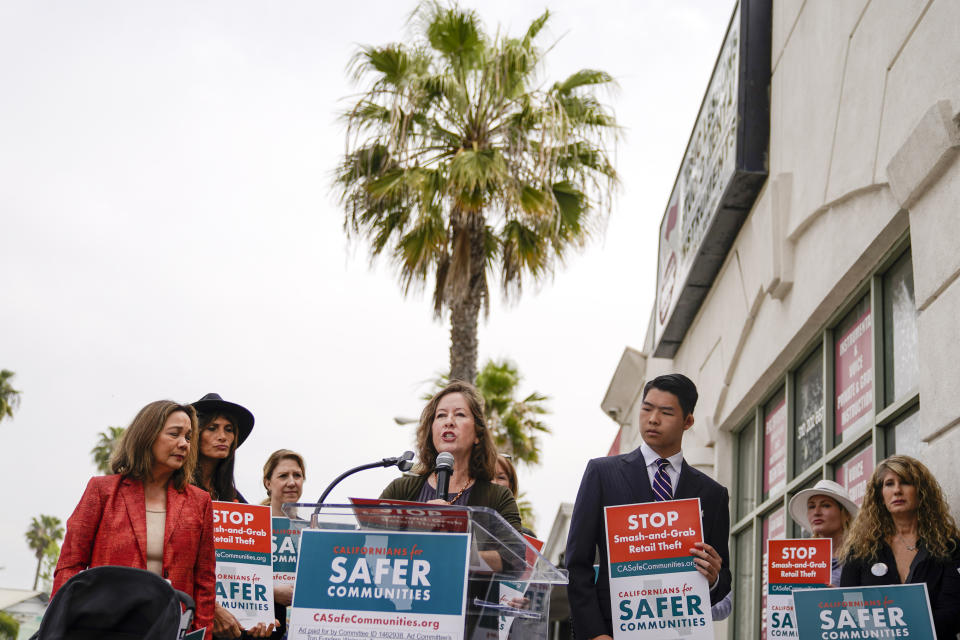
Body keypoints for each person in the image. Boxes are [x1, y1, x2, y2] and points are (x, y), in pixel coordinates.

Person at [565, 373, 731, 640]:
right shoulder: (602, 474)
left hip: (683, 630)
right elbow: (577, 563)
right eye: (646, 409)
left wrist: (714, 580)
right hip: (612, 630)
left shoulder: (712, 494)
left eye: (666, 412)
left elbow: (724, 577)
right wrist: (595, 633)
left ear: (688, 421)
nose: (653, 419)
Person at [52, 400, 215, 635]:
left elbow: (205, 582)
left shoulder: (200, 502)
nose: (184, 444)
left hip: (168, 628)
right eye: (174, 434)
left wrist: (201, 634)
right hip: (104, 627)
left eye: (188, 437)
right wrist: (59, 627)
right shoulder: (102, 491)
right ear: (147, 435)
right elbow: (70, 565)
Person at [839, 455, 960, 639]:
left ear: (921, 492)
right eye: (889, 484)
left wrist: (900, 632)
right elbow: (851, 607)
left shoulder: (949, 544)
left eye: (905, 482)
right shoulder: (861, 549)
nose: (897, 490)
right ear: (880, 495)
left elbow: (954, 610)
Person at [380, 380, 521, 531]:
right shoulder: (399, 491)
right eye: (441, 415)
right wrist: (417, 524)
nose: (449, 422)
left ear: (477, 434)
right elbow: (369, 541)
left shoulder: (498, 498)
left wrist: (457, 534)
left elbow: (515, 553)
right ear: (431, 430)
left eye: (460, 414)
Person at [190, 392, 275, 639]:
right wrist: (212, 608)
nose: (223, 436)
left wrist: (258, 617)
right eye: (212, 428)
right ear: (195, 435)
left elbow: (252, 568)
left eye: (229, 429)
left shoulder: (237, 501)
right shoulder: (176, 491)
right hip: (186, 614)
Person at [263, 449, 307, 640]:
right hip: (258, 628)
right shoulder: (249, 527)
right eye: (283, 476)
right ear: (268, 483)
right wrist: (271, 592)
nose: (291, 482)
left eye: (297, 475)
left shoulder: (310, 531)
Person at [788, 479, 858, 586]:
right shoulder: (801, 561)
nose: (816, 512)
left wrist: (837, 597)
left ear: (845, 514)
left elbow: (871, 598)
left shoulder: (862, 555)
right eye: (811, 507)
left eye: (826, 505)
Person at [493, 454, 537, 537]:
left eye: (501, 478)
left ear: (511, 485)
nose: (494, 482)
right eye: (489, 476)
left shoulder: (526, 536)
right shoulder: (468, 525)